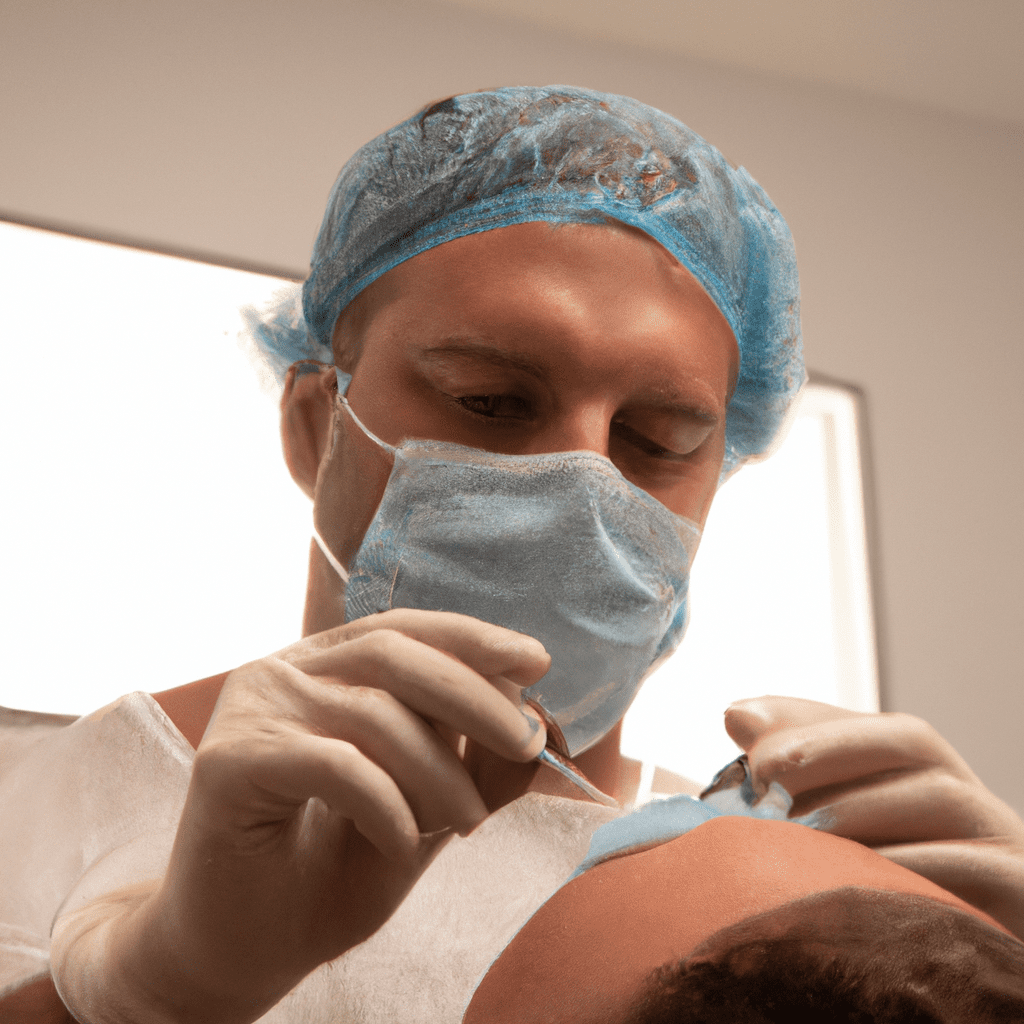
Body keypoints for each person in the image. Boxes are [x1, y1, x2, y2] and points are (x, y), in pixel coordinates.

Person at [4, 85, 1024, 1023]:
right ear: (318, 425)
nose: (582, 481)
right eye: (490, 400)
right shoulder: (55, 798)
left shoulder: (761, 873)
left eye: (657, 440)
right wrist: (152, 984)